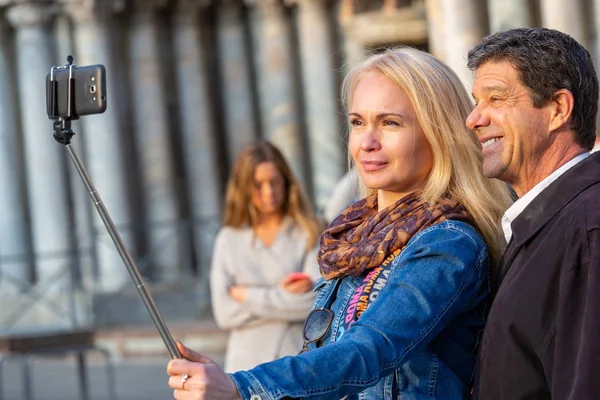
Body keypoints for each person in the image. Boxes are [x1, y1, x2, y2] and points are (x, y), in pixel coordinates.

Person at [167, 47, 512, 399]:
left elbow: (369, 351)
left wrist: (241, 387)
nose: (367, 142)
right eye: (358, 122)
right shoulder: (353, 233)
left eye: (390, 122)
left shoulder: (447, 242)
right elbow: (323, 358)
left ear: (439, 133)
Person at [466, 28, 600, 399]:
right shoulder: (548, 222)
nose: (473, 119)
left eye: (495, 98)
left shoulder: (589, 228)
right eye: (476, 101)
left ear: (558, 108)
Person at [209, 141, 322, 372]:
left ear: (286, 181)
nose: (268, 192)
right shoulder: (228, 240)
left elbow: (313, 304)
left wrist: (245, 294)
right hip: (245, 367)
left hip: (297, 365)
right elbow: (224, 313)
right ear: (244, 187)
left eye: (274, 182)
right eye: (258, 185)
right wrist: (283, 297)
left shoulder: (307, 233)